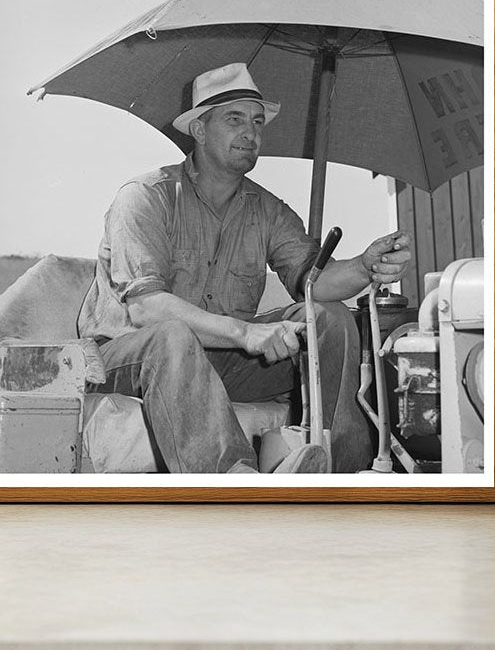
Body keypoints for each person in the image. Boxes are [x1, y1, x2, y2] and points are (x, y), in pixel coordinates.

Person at [79, 62, 412, 474]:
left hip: (215, 358)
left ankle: (337, 466)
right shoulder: (146, 197)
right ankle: (235, 479)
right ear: (199, 130)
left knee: (328, 317)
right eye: (234, 119)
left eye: (257, 121)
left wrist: (364, 266)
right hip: (122, 358)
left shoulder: (266, 210)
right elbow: (146, 310)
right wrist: (246, 332)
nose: (251, 133)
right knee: (172, 336)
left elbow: (314, 284)